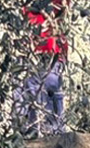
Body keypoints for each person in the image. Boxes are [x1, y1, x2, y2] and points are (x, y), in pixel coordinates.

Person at [17, 0, 68, 137]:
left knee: (49, 89)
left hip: (50, 50)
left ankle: (53, 134)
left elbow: (62, 10)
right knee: (24, 91)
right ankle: (28, 132)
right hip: (27, 49)